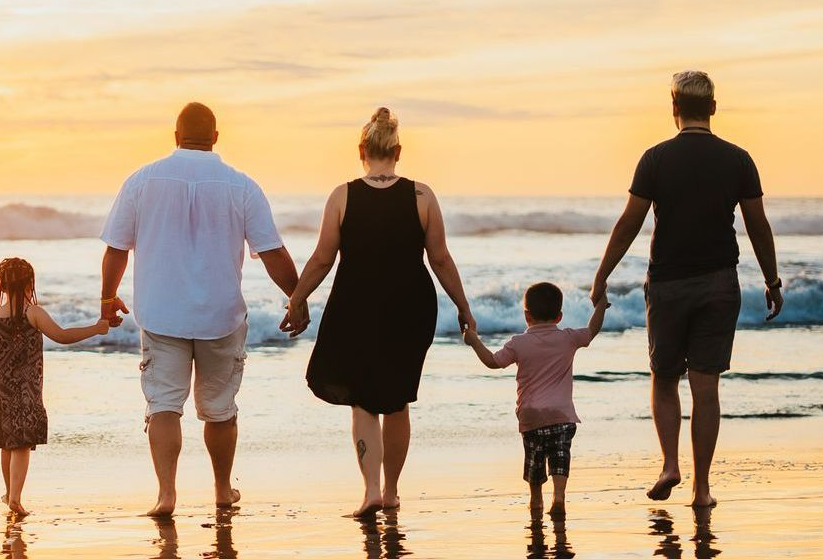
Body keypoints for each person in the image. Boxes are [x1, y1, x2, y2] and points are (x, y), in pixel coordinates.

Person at [588, 70, 783, 509]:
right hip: (719, 284)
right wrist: (772, 280)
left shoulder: (655, 159)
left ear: (674, 108)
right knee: (706, 384)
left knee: (663, 376)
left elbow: (629, 224)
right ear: (712, 108)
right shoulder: (738, 159)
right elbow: (758, 226)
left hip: (668, 285)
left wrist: (602, 275)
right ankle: (702, 489)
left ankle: (670, 464)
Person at [99, 102, 300, 518]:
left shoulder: (140, 181)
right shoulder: (242, 186)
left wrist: (107, 297)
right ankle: (223, 490)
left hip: (161, 313)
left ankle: (167, 495)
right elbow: (273, 252)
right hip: (220, 316)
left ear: (175, 137)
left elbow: (116, 248)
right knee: (220, 410)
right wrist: (297, 298)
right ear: (215, 137)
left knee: (164, 406)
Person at [278, 107, 477, 517]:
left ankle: (370, 490)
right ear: (398, 151)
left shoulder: (343, 195)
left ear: (361, 149)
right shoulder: (422, 195)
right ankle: (391, 491)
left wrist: (297, 299)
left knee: (364, 400)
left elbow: (321, 259)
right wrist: (463, 306)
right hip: (411, 307)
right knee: (398, 400)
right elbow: (440, 259)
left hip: (356, 306)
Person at [0, 257, 113, 517]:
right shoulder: (33, 313)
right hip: (26, 387)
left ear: (0, 285)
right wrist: (96, 329)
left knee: (6, 441)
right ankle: (15, 498)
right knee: (21, 442)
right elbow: (62, 336)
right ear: (30, 283)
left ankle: (10, 493)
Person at [461, 282, 609, 520]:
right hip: (561, 414)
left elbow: (493, 362)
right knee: (560, 456)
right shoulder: (568, 338)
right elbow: (592, 330)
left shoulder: (518, 343)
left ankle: (536, 499)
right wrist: (601, 305)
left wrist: (474, 341)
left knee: (535, 461)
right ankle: (559, 496)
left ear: (526, 315)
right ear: (559, 316)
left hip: (531, 416)